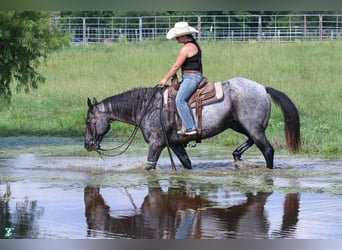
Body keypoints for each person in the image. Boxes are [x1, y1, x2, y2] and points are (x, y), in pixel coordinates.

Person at [159, 22, 203, 136]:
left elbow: (176, 66)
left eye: (177, 37)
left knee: (179, 100)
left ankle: (190, 127)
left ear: (184, 36)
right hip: (190, 76)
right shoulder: (194, 45)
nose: (176, 39)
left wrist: (165, 78)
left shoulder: (186, 48)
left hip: (191, 77)